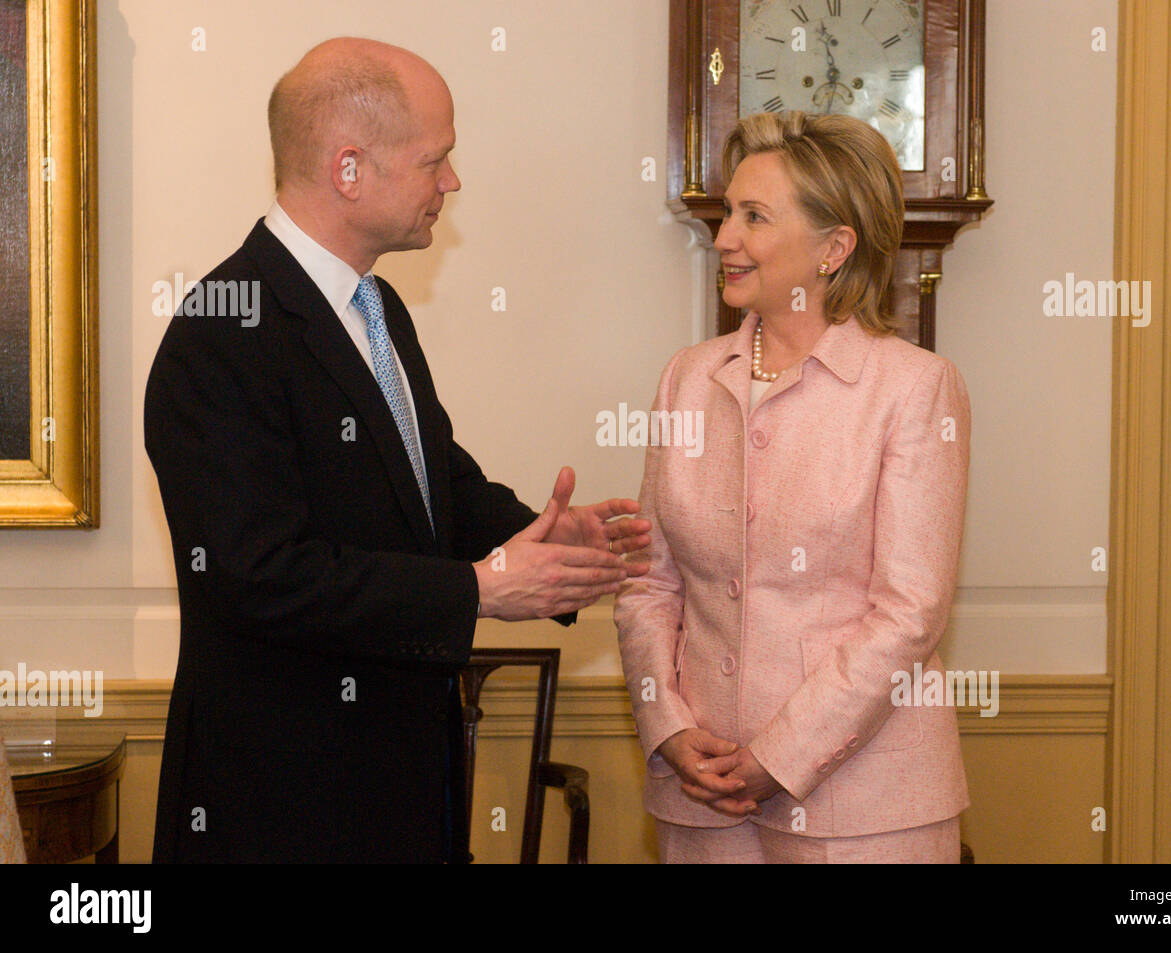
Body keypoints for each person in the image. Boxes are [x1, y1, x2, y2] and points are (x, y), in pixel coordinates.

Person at [143, 38, 650, 863]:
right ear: (350, 170)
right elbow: (258, 573)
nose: (452, 182)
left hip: (401, 787)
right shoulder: (220, 331)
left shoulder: (375, 308)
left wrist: (543, 539)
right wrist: (479, 590)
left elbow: (427, 481)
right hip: (282, 806)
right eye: (435, 159)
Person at [615, 110, 971, 863]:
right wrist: (669, 727)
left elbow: (910, 612)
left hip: (866, 813)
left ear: (834, 247)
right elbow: (649, 585)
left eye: (754, 217)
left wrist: (779, 755)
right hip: (700, 799)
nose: (723, 239)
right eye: (726, 213)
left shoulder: (915, 388)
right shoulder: (686, 377)